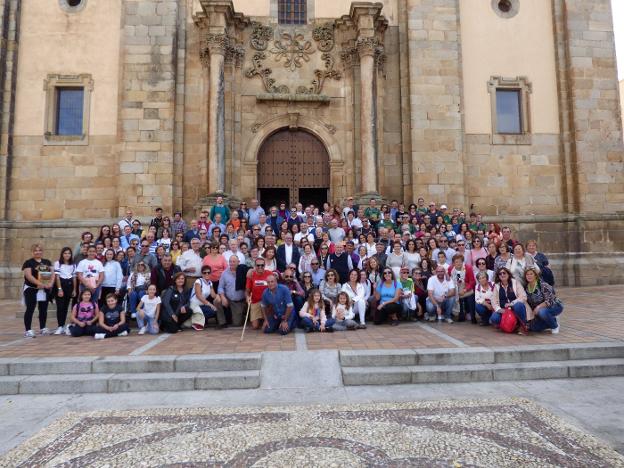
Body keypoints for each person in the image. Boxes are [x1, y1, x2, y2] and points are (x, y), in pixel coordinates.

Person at [22, 244, 55, 337]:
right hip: (31, 289)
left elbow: (52, 274)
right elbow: (29, 275)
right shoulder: (28, 262)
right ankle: (28, 330)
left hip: (44, 290)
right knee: (30, 309)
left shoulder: (47, 262)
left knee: (43, 309)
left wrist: (50, 284)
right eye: (35, 250)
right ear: (32, 252)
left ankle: (43, 328)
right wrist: (39, 283)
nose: (38, 252)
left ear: (42, 251)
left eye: (39, 250)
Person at [490, 266, 531, 335]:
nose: (502, 275)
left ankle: (522, 325)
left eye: (504, 273)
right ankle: (510, 326)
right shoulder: (497, 286)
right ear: (498, 276)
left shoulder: (515, 283)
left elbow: (523, 296)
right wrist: (499, 309)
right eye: (500, 274)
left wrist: (512, 303)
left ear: (508, 274)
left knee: (518, 305)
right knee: (494, 318)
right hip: (504, 310)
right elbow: (493, 300)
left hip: (515, 308)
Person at [525, 266, 563, 334]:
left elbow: (550, 301)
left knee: (542, 312)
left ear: (535, 275)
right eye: (527, 274)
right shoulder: (527, 288)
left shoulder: (542, 285)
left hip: (554, 306)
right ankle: (552, 320)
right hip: (539, 310)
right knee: (533, 327)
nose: (529, 276)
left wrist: (538, 307)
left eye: (531, 274)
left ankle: (554, 326)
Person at [188, 265, 224, 330]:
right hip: (194, 304)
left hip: (202, 305)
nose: (206, 274)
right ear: (202, 274)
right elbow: (198, 296)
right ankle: (194, 319)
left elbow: (213, 295)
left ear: (210, 273)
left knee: (213, 311)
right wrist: (210, 304)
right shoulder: (198, 281)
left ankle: (200, 319)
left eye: (208, 272)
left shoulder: (210, 283)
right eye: (204, 272)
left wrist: (218, 296)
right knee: (198, 327)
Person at [217, 255, 247, 326]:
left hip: (239, 301)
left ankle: (241, 314)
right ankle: (222, 322)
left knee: (237, 323)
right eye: (230, 261)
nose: (232, 263)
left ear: (238, 262)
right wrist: (223, 297)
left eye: (234, 261)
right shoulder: (224, 273)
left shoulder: (243, 271)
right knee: (217, 300)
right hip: (228, 298)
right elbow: (220, 287)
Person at [53, 247, 76, 335]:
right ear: (62, 254)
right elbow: (57, 277)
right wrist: (59, 289)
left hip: (69, 285)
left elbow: (74, 278)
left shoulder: (73, 265)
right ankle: (60, 326)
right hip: (61, 285)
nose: (67, 255)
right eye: (65, 253)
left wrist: (74, 289)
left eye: (69, 253)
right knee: (60, 307)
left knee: (66, 307)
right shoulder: (58, 263)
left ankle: (63, 326)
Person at [246, 257, 273, 330]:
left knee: (267, 326)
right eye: (258, 265)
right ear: (255, 266)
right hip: (255, 301)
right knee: (255, 326)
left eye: (262, 265)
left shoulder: (269, 273)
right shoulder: (251, 275)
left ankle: (265, 319)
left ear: (264, 265)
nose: (260, 267)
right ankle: (261, 319)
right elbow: (247, 290)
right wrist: (247, 297)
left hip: (267, 302)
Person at [448, 254, 476, 323]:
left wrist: (465, 289)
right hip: (456, 287)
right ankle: (460, 313)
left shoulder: (468, 268)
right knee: (457, 293)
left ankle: (471, 314)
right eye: (456, 262)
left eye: (460, 261)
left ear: (462, 262)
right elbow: (449, 280)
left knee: (469, 298)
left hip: (466, 287)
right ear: (453, 263)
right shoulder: (451, 269)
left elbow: (472, 281)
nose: (458, 263)